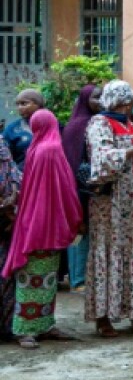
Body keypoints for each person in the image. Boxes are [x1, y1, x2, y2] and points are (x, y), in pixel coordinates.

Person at [2, 110, 81, 348]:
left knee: (42, 276)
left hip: (34, 220)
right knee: (36, 277)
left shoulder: (36, 147)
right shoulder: (52, 149)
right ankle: (25, 329)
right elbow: (65, 186)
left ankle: (43, 325)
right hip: (46, 223)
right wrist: (75, 215)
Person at [85, 80, 133, 338]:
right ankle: (103, 318)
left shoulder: (128, 123)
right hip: (111, 204)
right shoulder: (99, 123)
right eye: (127, 100)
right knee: (109, 252)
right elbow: (101, 159)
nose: (130, 105)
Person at [62, 84, 101, 290]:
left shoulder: (96, 123)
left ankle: (85, 277)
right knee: (79, 232)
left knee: (89, 233)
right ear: (85, 99)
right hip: (77, 188)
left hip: (92, 188)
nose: (100, 101)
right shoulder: (79, 125)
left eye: (102, 97)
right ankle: (78, 279)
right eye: (96, 97)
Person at [0, 139, 20, 342]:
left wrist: (12, 200)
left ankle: (7, 326)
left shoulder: (3, 145)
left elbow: (14, 176)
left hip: (5, 222)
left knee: (6, 278)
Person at [4, 88, 44, 169]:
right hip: (22, 177)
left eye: (23, 103)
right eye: (17, 104)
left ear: (38, 104)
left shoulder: (54, 127)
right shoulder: (12, 129)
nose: (19, 108)